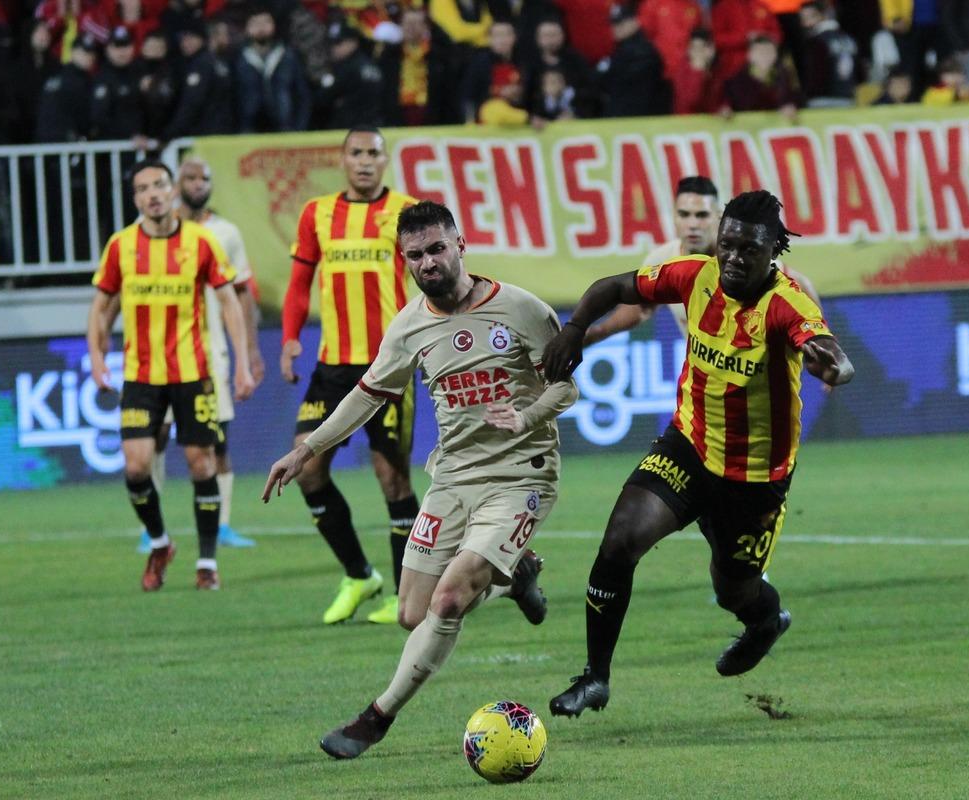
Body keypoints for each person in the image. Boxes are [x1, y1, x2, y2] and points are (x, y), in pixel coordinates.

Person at [262, 200, 574, 760]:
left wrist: (525, 416)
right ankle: (514, 577)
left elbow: (566, 387)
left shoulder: (524, 309)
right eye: (415, 255)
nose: (428, 262)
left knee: (450, 599)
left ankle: (375, 717)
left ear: (460, 244)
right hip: (452, 477)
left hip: (520, 475)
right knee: (412, 613)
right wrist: (307, 450)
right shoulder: (409, 327)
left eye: (437, 248)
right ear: (403, 260)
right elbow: (366, 395)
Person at [543, 190, 854, 717]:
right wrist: (574, 331)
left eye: (746, 250)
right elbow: (612, 287)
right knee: (619, 542)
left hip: (754, 478)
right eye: (725, 244)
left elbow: (830, 353)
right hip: (688, 446)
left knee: (735, 590)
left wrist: (834, 368)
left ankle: (764, 622)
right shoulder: (692, 274)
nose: (732, 258)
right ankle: (595, 677)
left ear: (773, 250)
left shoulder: (786, 304)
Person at [87, 159, 255, 592]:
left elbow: (229, 303)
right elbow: (101, 306)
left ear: (172, 190)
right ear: (136, 198)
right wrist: (96, 354)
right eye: (143, 189)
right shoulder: (121, 246)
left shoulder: (201, 242)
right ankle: (160, 543)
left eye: (159, 184)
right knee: (136, 466)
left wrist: (240, 362)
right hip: (141, 375)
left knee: (202, 465)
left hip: (193, 373)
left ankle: (207, 563)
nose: (153, 194)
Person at [281, 126, 420, 626]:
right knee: (308, 467)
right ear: (342, 159)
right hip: (332, 365)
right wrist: (290, 338)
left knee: (392, 476)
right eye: (356, 153)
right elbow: (300, 283)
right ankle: (359, 574)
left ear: (386, 160)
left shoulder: (407, 211)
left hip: (390, 363)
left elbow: (432, 279)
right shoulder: (317, 213)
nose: (364, 162)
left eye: (373, 154)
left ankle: (406, 594)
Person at [130, 156, 266, 553]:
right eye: (189, 177)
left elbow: (242, 294)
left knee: (216, 442)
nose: (197, 183)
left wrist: (251, 352)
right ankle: (150, 528)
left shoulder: (224, 233)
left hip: (210, 353)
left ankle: (221, 525)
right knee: (153, 436)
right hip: (158, 359)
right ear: (175, 185)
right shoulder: (148, 235)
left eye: (204, 177)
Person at [585, 176, 821, 345]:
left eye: (702, 215)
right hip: (704, 383)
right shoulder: (662, 260)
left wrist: (823, 337)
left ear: (718, 217)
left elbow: (801, 284)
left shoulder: (742, 260)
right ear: (675, 217)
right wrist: (597, 332)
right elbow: (641, 308)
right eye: (685, 214)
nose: (693, 224)